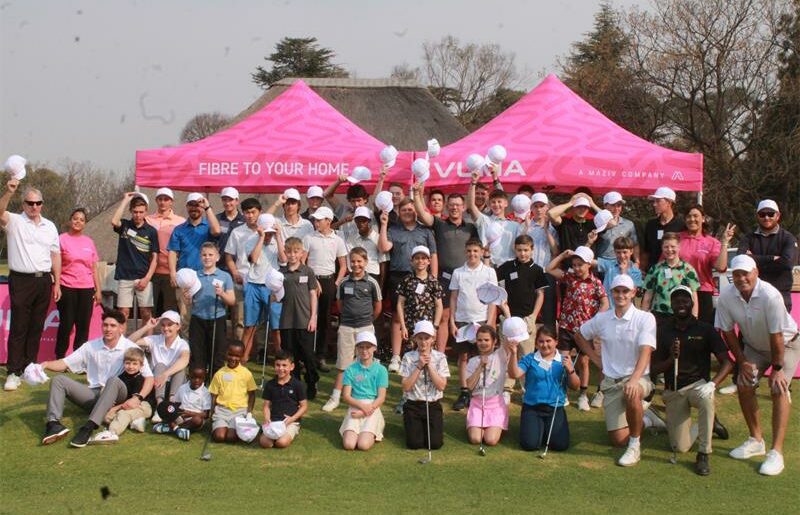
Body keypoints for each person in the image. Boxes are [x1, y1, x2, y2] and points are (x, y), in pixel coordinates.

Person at [715, 254, 799, 476]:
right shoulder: (726, 296)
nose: (741, 278)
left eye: (745, 273)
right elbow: (726, 331)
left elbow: (777, 336)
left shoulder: (770, 295)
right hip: (754, 346)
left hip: (787, 344)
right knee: (744, 384)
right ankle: (756, 440)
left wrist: (777, 369)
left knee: (778, 389)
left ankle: (776, 452)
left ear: (756, 273)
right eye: (737, 274)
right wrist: (741, 362)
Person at [573, 274, 657, 466]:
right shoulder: (602, 319)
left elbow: (646, 351)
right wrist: (596, 359)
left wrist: (634, 379)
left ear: (633, 292)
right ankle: (647, 419)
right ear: (611, 293)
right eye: (617, 291)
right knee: (618, 440)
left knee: (632, 392)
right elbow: (579, 336)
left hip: (638, 377)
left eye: (625, 291)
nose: (621, 295)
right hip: (611, 382)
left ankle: (635, 446)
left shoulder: (645, 318)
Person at [39, 310, 154, 447]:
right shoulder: (90, 346)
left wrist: (138, 398)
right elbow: (65, 362)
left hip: (117, 394)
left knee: (113, 380)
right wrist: (45, 365)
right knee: (58, 380)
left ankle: (88, 427)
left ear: (121, 328)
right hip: (94, 394)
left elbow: (149, 378)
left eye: (112, 325)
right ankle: (53, 424)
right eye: (105, 325)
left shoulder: (130, 348)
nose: (108, 329)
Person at [650, 286, 733, 475]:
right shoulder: (663, 331)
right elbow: (653, 368)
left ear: (692, 303)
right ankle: (709, 425)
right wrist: (671, 358)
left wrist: (713, 384)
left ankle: (704, 453)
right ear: (670, 304)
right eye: (676, 301)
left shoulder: (705, 329)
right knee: (680, 447)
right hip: (674, 390)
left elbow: (727, 363)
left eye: (685, 300)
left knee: (706, 399)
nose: (681, 304)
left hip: (698, 386)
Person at [1, 179, 61, 391]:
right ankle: (13, 372)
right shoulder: (15, 221)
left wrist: (57, 282)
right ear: (23, 204)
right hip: (21, 280)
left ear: (42, 204)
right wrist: (8, 192)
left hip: (44, 280)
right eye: (30, 203)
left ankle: (28, 368)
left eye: (38, 203)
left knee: (36, 327)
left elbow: (55, 255)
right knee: (19, 327)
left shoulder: (50, 226)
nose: (34, 207)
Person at [412, 182, 478, 354]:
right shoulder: (440, 224)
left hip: (466, 277)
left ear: (463, 207)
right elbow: (423, 215)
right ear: (447, 207)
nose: (455, 208)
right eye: (451, 205)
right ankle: (440, 354)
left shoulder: (471, 227)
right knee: (444, 317)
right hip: (444, 278)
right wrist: (417, 194)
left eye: (458, 205)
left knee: (467, 315)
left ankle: (467, 353)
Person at [378, 199, 438, 373]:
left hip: (423, 277)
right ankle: (396, 357)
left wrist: (432, 279)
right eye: (403, 209)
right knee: (398, 315)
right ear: (399, 211)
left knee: (423, 315)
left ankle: (423, 353)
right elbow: (383, 247)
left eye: (410, 209)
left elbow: (433, 254)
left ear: (416, 211)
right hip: (399, 276)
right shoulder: (393, 229)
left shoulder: (425, 231)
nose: (407, 212)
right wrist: (383, 225)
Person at [546, 245, 608, 411]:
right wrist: (563, 255)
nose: (576, 268)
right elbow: (549, 269)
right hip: (567, 326)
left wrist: (596, 320)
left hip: (585, 329)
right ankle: (562, 391)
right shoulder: (569, 277)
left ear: (589, 264)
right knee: (562, 361)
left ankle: (583, 395)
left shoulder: (595, 282)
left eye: (580, 264)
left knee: (583, 362)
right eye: (574, 265)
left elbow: (605, 302)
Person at [322, 247, 382, 412]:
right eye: (353, 261)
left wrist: (368, 321)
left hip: (366, 328)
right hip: (347, 327)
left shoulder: (372, 283)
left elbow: (378, 306)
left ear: (366, 262)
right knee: (344, 364)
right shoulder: (344, 283)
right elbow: (340, 305)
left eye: (359, 261)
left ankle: (366, 394)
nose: (356, 265)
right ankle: (335, 397)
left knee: (366, 363)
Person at [507, 325, 580, 451]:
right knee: (530, 445)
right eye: (541, 341)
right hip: (532, 407)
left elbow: (576, 386)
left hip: (555, 408)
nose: (545, 345)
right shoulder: (530, 359)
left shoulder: (564, 361)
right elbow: (514, 374)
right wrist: (513, 353)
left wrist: (571, 370)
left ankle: (544, 430)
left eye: (548, 341)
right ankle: (536, 428)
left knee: (560, 446)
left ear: (556, 342)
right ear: (536, 343)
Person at [497, 234, 549, 398]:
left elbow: (540, 294)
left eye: (526, 250)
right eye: (519, 250)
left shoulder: (537, 270)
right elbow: (498, 290)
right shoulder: (506, 267)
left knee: (526, 354)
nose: (523, 253)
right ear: (515, 249)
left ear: (532, 250)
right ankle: (506, 387)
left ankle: (527, 386)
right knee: (505, 353)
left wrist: (533, 316)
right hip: (508, 317)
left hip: (527, 318)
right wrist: (505, 312)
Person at [449, 239, 499, 411]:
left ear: (481, 252)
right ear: (465, 251)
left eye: (475, 251)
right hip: (462, 321)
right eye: (469, 251)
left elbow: (493, 299)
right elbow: (454, 298)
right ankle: (464, 392)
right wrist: (451, 321)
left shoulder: (489, 272)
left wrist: (491, 321)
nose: (472, 254)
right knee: (463, 357)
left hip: (482, 320)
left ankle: (480, 391)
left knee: (483, 358)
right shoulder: (458, 273)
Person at [168, 192, 221, 332]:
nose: (194, 208)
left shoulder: (208, 226)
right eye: (191, 205)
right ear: (186, 206)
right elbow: (173, 252)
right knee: (185, 319)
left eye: (198, 205)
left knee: (205, 318)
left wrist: (208, 207)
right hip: (184, 279)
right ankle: (187, 352)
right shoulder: (179, 229)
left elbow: (217, 231)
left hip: (205, 278)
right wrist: (173, 273)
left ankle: (202, 351)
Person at [303, 206, 348, 371]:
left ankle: (320, 356)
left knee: (325, 319)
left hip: (329, 281)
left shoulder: (337, 240)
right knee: (309, 317)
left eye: (319, 220)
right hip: (311, 281)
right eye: (315, 220)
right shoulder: (309, 238)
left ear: (328, 221)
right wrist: (313, 279)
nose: (316, 222)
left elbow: (343, 265)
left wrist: (336, 284)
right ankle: (307, 354)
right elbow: (303, 261)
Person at [55, 207, 101, 359]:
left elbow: (94, 268)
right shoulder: (61, 239)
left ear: (85, 224)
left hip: (86, 288)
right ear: (70, 220)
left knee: (83, 327)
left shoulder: (89, 242)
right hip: (66, 286)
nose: (78, 222)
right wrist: (56, 285)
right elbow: (55, 264)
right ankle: (60, 357)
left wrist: (98, 290)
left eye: (81, 220)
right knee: (66, 324)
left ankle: (79, 359)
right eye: (75, 218)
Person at [736, 199, 797, 311]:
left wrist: (753, 260)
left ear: (778, 216)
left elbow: (787, 264)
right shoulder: (748, 238)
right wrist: (772, 258)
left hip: (780, 295)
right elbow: (740, 259)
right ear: (757, 216)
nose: (766, 217)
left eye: (770, 214)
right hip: (753, 295)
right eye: (762, 214)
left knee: (778, 329)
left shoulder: (788, 238)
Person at [128, 310, 190, 416]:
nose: (166, 328)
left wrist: (165, 374)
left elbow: (184, 360)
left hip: (174, 385)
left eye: (170, 325)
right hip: (156, 386)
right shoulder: (155, 339)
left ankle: (172, 405)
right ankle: (160, 407)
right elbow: (129, 342)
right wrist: (147, 327)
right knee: (160, 366)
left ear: (178, 326)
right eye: (163, 325)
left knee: (180, 371)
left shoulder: (182, 344)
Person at [185, 242, 236, 373]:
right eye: (204, 255)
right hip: (198, 319)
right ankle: (197, 386)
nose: (207, 257)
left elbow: (232, 300)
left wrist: (222, 293)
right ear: (200, 257)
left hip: (217, 318)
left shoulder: (225, 276)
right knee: (197, 355)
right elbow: (189, 301)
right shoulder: (194, 276)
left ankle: (215, 387)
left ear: (217, 257)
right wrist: (187, 297)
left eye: (210, 255)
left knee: (217, 355)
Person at [279, 237, 319, 400]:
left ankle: (311, 381)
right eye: (289, 251)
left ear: (302, 253)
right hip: (287, 321)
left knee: (308, 355)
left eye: (296, 251)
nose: (292, 255)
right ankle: (294, 385)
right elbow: (277, 296)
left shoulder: (307, 271)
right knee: (290, 355)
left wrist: (313, 317)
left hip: (304, 320)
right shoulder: (281, 273)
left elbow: (313, 294)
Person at [110, 192, 158, 327]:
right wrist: (125, 200)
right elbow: (114, 221)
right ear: (131, 211)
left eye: (141, 212)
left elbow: (155, 258)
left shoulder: (151, 231)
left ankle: (145, 345)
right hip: (125, 276)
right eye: (135, 212)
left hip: (143, 277)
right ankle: (123, 346)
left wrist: (147, 278)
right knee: (123, 313)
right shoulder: (125, 226)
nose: (138, 215)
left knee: (146, 313)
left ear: (146, 211)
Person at [242, 213, 284, 362]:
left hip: (272, 287)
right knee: (249, 326)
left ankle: (281, 360)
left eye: (270, 233)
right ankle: (243, 359)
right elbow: (253, 259)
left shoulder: (277, 240)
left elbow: (284, 260)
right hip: (253, 285)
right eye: (266, 233)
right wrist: (260, 238)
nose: (268, 236)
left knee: (276, 327)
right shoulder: (251, 240)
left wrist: (278, 237)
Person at [400, 321, 449, 450]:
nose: (423, 342)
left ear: (432, 339)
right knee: (414, 444)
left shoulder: (440, 357)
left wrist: (430, 367)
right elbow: (406, 387)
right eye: (420, 338)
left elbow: (441, 386)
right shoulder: (408, 357)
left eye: (427, 338)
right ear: (415, 338)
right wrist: (419, 366)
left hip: (432, 405)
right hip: (413, 405)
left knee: (435, 444)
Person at [90, 347, 155, 444]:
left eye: (134, 364)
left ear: (141, 365)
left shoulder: (139, 379)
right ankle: (135, 423)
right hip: (128, 406)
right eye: (128, 363)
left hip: (143, 406)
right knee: (106, 416)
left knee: (122, 414)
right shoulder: (121, 377)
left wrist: (115, 408)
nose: (131, 366)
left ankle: (112, 433)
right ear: (123, 363)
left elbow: (132, 403)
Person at [678, 205, 728, 324]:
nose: (692, 219)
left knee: (701, 331)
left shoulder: (711, 242)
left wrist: (724, 243)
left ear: (703, 219)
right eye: (689, 216)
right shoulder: (676, 238)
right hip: (679, 291)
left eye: (696, 216)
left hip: (702, 292)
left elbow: (721, 267)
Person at [339, 332, 389, 451]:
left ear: (374, 348)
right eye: (361, 347)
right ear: (357, 348)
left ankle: (377, 426)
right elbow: (346, 396)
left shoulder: (381, 370)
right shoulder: (351, 369)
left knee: (363, 445)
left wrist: (367, 409)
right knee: (349, 445)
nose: (364, 350)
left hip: (373, 406)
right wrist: (361, 407)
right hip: (355, 406)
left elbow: (381, 397)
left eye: (368, 347)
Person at [225, 197, 262, 340]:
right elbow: (228, 256)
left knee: (259, 318)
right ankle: (238, 348)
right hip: (241, 279)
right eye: (247, 212)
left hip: (261, 280)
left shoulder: (265, 231)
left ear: (260, 212)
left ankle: (258, 350)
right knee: (239, 318)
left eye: (253, 212)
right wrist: (235, 273)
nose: (250, 215)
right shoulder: (237, 232)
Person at [642, 232, 701, 323]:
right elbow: (648, 296)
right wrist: (643, 317)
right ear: (662, 248)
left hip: (682, 314)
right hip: (659, 315)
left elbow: (694, 296)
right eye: (666, 247)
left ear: (679, 247)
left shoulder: (688, 269)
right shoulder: (655, 269)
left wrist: (694, 317)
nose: (669, 250)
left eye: (673, 246)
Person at [466, 325, 509, 447]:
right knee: (475, 439)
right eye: (479, 340)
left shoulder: (499, 356)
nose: (483, 343)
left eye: (486, 340)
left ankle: (497, 425)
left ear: (494, 341)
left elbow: (508, 337)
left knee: (490, 440)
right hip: (477, 404)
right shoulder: (473, 361)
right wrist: (480, 366)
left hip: (495, 405)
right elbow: (469, 386)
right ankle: (477, 425)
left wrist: (506, 312)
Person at [467, 170, 520, 267]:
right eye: (493, 202)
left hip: (509, 267)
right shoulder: (484, 220)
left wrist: (495, 178)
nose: (496, 205)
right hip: (488, 265)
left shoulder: (515, 225)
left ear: (506, 203)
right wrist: (473, 182)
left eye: (499, 202)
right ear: (489, 204)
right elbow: (471, 206)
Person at [208, 341, 257, 443]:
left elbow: (252, 394)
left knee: (231, 438)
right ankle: (218, 426)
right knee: (219, 436)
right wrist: (212, 414)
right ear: (226, 353)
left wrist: (249, 412)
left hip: (239, 411)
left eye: (237, 356)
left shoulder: (246, 373)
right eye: (230, 354)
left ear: (242, 356)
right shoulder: (219, 373)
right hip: (222, 411)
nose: (233, 358)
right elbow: (213, 395)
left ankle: (241, 428)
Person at [146, 187, 185, 314]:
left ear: (171, 201)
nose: (163, 202)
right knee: (149, 309)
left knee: (171, 309)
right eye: (160, 199)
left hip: (171, 271)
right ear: (156, 201)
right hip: (150, 271)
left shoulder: (180, 221)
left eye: (166, 199)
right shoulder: (147, 220)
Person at [258, 351, 308, 449]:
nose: (281, 368)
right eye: (278, 365)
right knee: (265, 443)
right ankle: (263, 431)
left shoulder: (297, 385)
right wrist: (267, 418)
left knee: (281, 443)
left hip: (290, 422)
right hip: (274, 421)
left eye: (284, 365)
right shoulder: (270, 384)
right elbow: (266, 405)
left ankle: (293, 431)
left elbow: (304, 406)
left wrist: (292, 419)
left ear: (292, 367)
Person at [525, 192, 559, 328]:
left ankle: (549, 339)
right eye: (536, 206)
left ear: (547, 208)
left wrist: (546, 230)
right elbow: (517, 246)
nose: (539, 209)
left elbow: (555, 250)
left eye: (542, 206)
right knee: (528, 310)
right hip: (529, 273)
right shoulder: (527, 226)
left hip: (546, 272)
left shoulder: (553, 227)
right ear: (531, 208)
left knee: (548, 311)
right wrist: (526, 228)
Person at [152, 367, 211, 441]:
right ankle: (176, 428)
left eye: (200, 378)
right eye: (193, 377)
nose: (196, 380)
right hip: (181, 416)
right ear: (188, 376)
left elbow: (206, 414)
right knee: (165, 406)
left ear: (204, 378)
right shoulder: (183, 388)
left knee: (197, 420)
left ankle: (171, 428)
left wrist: (189, 413)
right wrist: (175, 413)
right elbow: (176, 403)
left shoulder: (205, 392)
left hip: (194, 418)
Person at [641, 187, 685, 273]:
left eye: (658, 201)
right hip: (653, 273)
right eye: (654, 201)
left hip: (676, 273)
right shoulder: (651, 225)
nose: (654, 204)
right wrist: (642, 269)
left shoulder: (682, 224)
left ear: (669, 203)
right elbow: (646, 250)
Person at [594, 191, 639, 266]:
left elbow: (634, 244)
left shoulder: (629, 224)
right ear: (605, 206)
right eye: (613, 205)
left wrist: (637, 261)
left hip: (622, 265)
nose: (616, 208)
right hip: (601, 265)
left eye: (619, 205)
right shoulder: (598, 223)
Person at [215, 187, 244, 270]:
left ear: (237, 201)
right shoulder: (217, 219)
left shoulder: (244, 220)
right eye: (224, 200)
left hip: (239, 267)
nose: (227, 203)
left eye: (230, 200)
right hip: (220, 266)